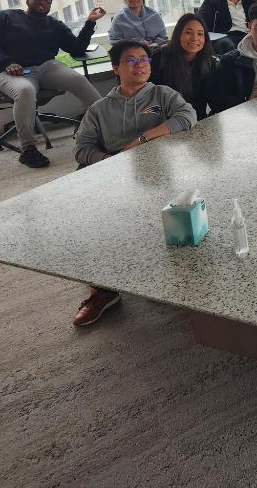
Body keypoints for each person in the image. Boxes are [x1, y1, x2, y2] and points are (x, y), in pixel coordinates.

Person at [72, 39, 197, 327]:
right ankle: (103, 291)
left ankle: (181, 277)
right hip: (115, 180)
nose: (140, 64)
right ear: (115, 68)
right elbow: (82, 148)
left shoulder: (162, 94)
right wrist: (109, 161)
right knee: (92, 225)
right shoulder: (99, 109)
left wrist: (141, 140)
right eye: (131, 60)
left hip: (164, 174)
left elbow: (187, 116)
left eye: (144, 59)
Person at [0, 0, 105, 169]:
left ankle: (110, 122)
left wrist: (90, 22)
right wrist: (6, 61)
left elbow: (76, 48)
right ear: (27, 0)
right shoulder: (6, 17)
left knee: (78, 80)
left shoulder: (54, 25)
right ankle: (28, 149)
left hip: (46, 67)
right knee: (25, 90)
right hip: (10, 71)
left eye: (47, 1)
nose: (43, 3)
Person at [149, 13, 219, 121]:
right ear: (178, 34)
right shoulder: (160, 57)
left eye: (200, 34)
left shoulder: (210, 63)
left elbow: (216, 103)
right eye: (188, 32)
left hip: (196, 123)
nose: (195, 38)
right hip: (164, 124)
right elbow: (151, 99)